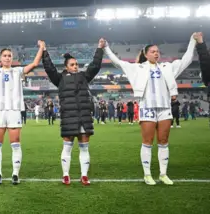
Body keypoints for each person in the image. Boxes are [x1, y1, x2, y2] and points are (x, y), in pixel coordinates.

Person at [104, 33, 197, 185]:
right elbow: (118, 63)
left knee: (164, 141)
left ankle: (163, 174)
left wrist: (193, 41)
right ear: (146, 54)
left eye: (157, 51)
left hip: (164, 107)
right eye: (153, 51)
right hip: (147, 107)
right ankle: (147, 175)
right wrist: (106, 48)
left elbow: (186, 60)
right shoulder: (138, 68)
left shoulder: (168, 67)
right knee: (147, 141)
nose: (156, 53)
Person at [0, 39, 45, 185]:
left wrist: (41, 48)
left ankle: (15, 174)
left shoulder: (18, 71)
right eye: (4, 55)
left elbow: (35, 64)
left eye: (9, 55)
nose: (7, 58)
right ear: (0, 58)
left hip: (14, 111)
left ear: (12, 58)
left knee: (15, 143)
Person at [42, 38, 105, 186]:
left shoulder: (84, 77)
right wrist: (44, 51)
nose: (76, 66)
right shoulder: (60, 79)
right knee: (67, 147)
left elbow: (95, 66)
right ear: (66, 67)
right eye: (72, 64)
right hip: (69, 118)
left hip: (83, 118)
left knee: (84, 147)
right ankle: (66, 175)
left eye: (76, 64)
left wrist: (99, 49)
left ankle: (84, 176)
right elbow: (50, 69)